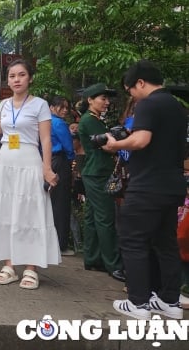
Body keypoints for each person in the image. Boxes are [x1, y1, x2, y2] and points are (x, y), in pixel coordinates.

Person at [103, 60, 185, 320]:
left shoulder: (148, 104)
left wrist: (114, 144)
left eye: (131, 90)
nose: (132, 95)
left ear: (140, 83)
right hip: (172, 184)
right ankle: (169, 301)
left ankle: (138, 303)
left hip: (147, 185)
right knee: (166, 243)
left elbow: (141, 140)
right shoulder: (178, 107)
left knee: (133, 241)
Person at [0, 59, 60, 290]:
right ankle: (9, 264)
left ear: (30, 78)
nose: (16, 79)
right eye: (12, 75)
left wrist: (47, 168)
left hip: (29, 160)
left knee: (30, 213)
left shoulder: (40, 105)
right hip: (5, 161)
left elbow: (45, 139)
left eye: (21, 75)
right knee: (5, 212)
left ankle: (31, 267)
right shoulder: (2, 105)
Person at [77, 83, 125, 282]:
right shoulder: (90, 120)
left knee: (92, 216)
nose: (106, 102)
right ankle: (113, 264)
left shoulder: (93, 119)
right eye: (102, 98)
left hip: (94, 172)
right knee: (105, 217)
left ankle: (93, 257)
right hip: (98, 173)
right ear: (90, 100)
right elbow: (109, 147)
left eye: (107, 99)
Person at [48, 96, 76, 256]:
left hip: (48, 161)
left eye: (67, 107)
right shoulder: (58, 123)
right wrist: (72, 162)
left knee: (51, 201)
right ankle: (60, 243)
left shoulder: (45, 121)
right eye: (61, 107)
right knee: (61, 202)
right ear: (52, 107)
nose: (65, 110)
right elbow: (68, 146)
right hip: (60, 160)